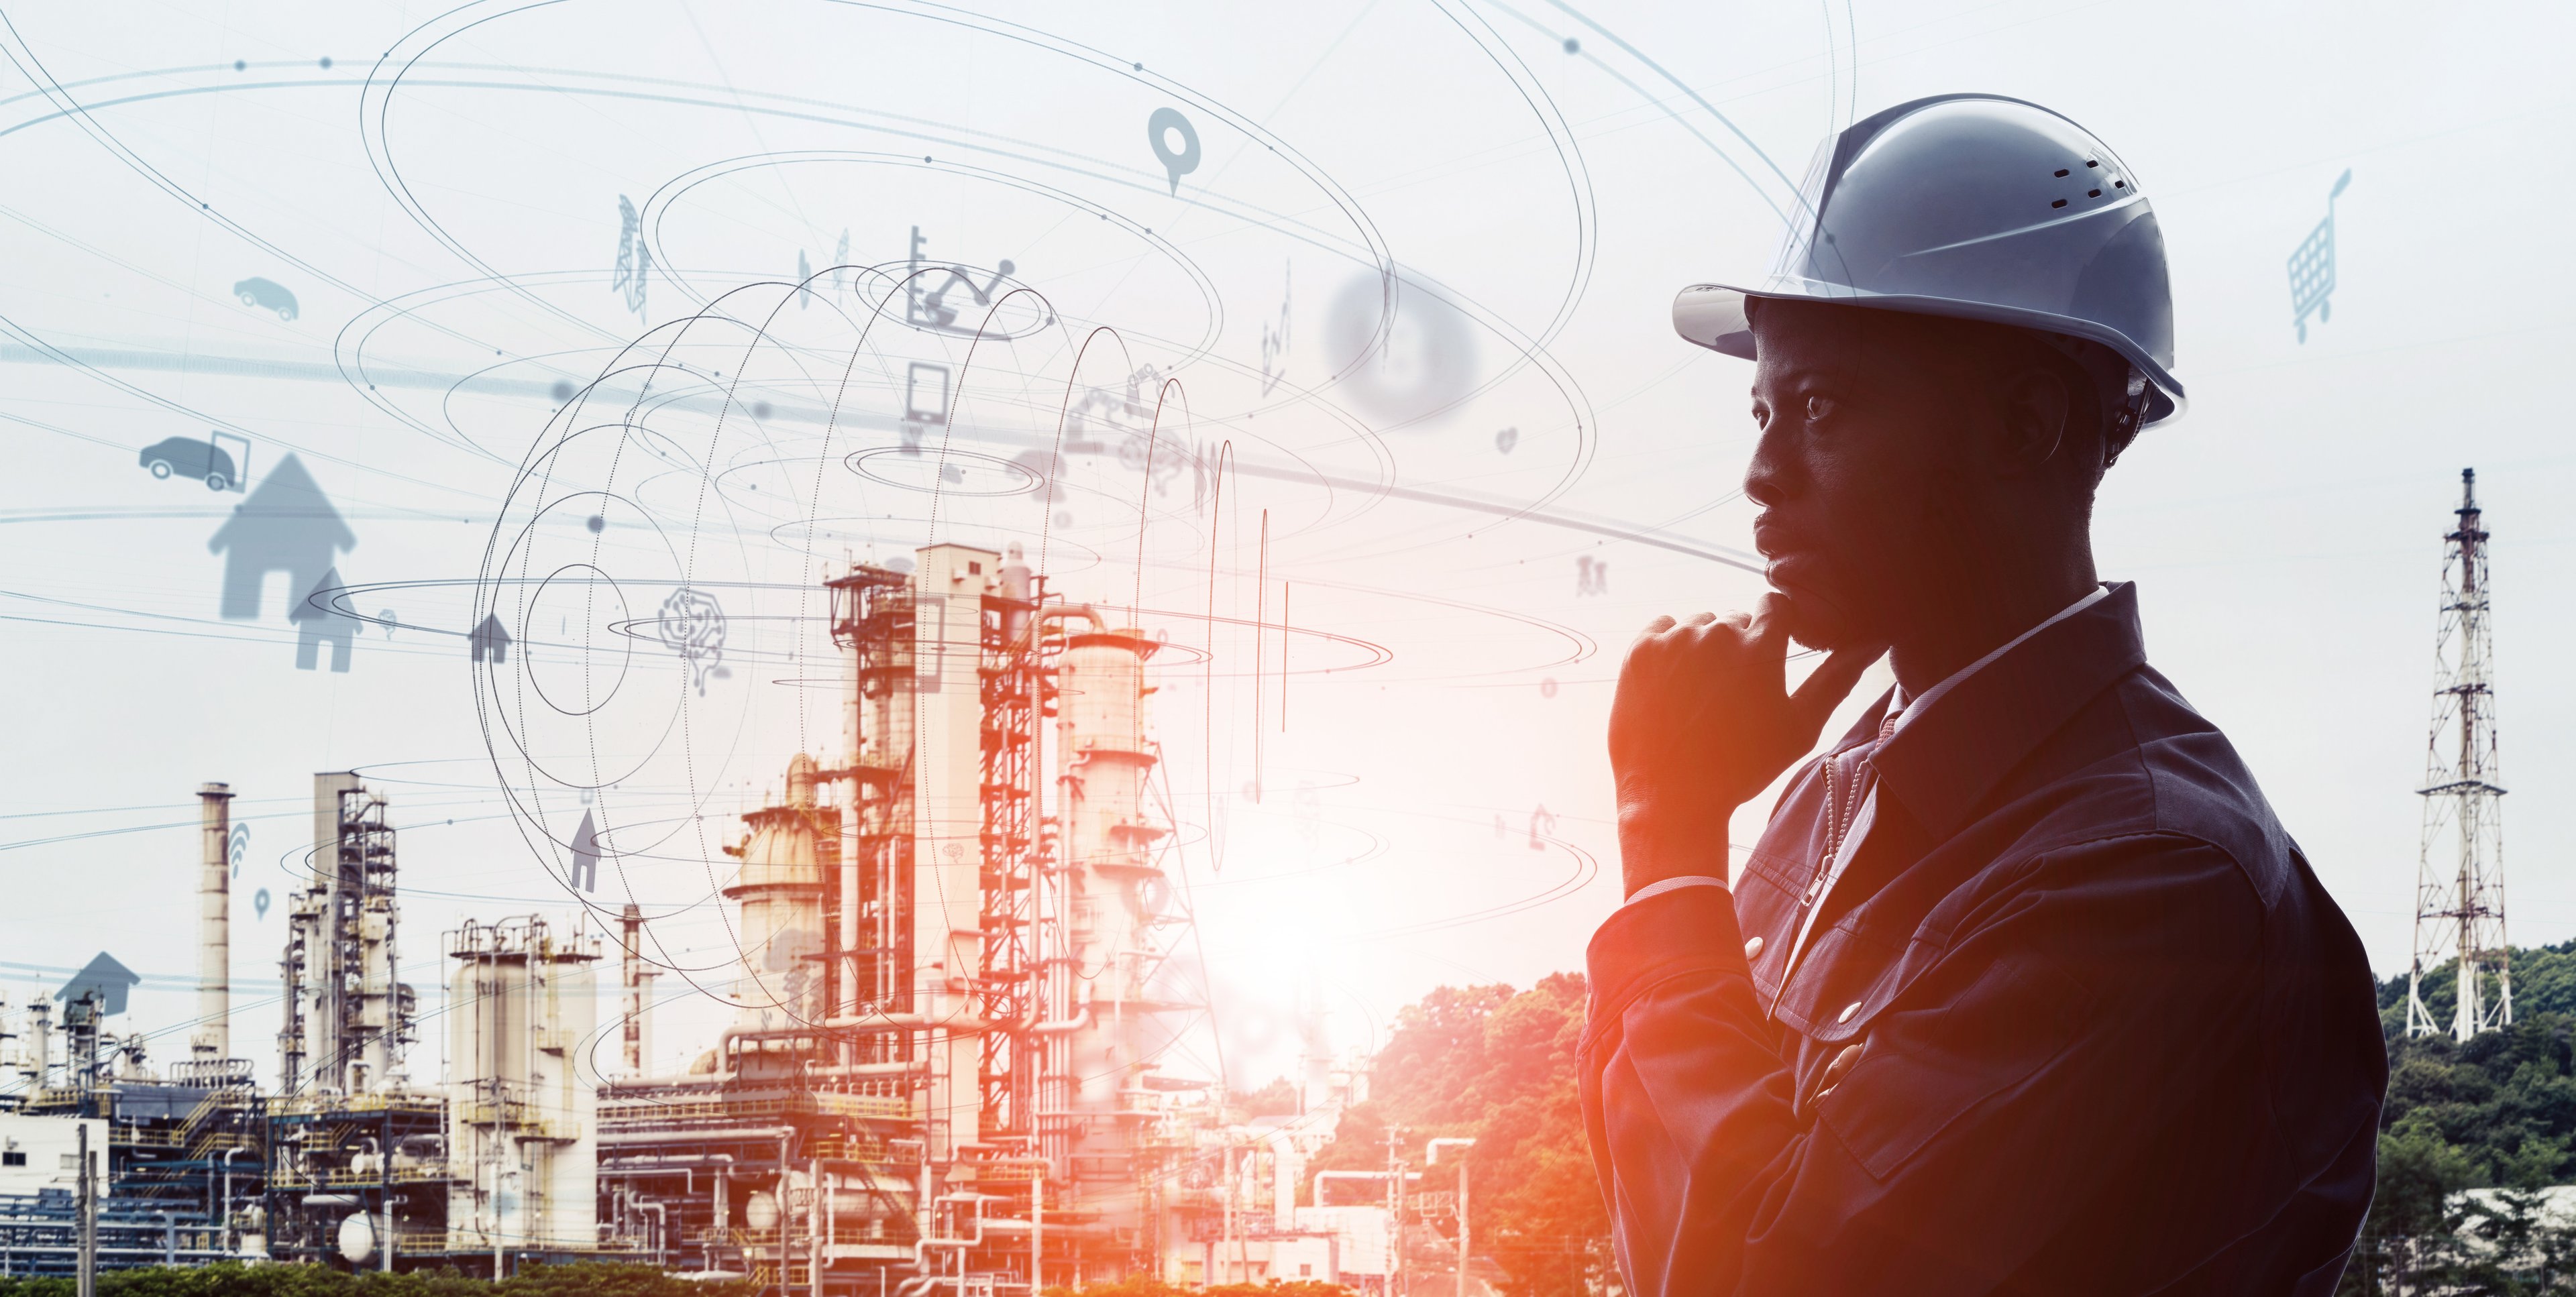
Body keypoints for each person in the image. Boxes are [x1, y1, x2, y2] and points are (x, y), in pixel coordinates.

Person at [1582, 95, 2386, 1294]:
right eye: (1762, 408)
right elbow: (1659, 1209)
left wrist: (1668, 835)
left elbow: (1764, 1274)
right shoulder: (1838, 792)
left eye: (1821, 407)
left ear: (2026, 423)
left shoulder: (2149, 873)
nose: (1758, 474)